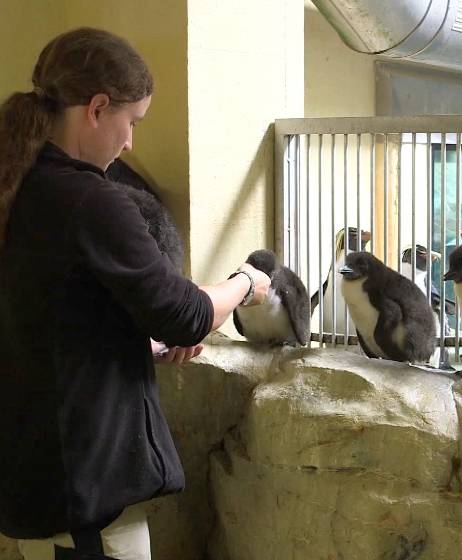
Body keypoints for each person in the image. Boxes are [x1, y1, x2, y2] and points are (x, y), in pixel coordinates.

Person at [0, 27, 271, 560]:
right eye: (132, 122)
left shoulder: (20, 185)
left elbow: (49, 316)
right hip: (83, 492)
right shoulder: (90, 201)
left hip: (37, 471)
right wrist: (244, 283)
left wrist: (133, 341)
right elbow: (189, 315)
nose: (131, 143)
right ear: (98, 109)